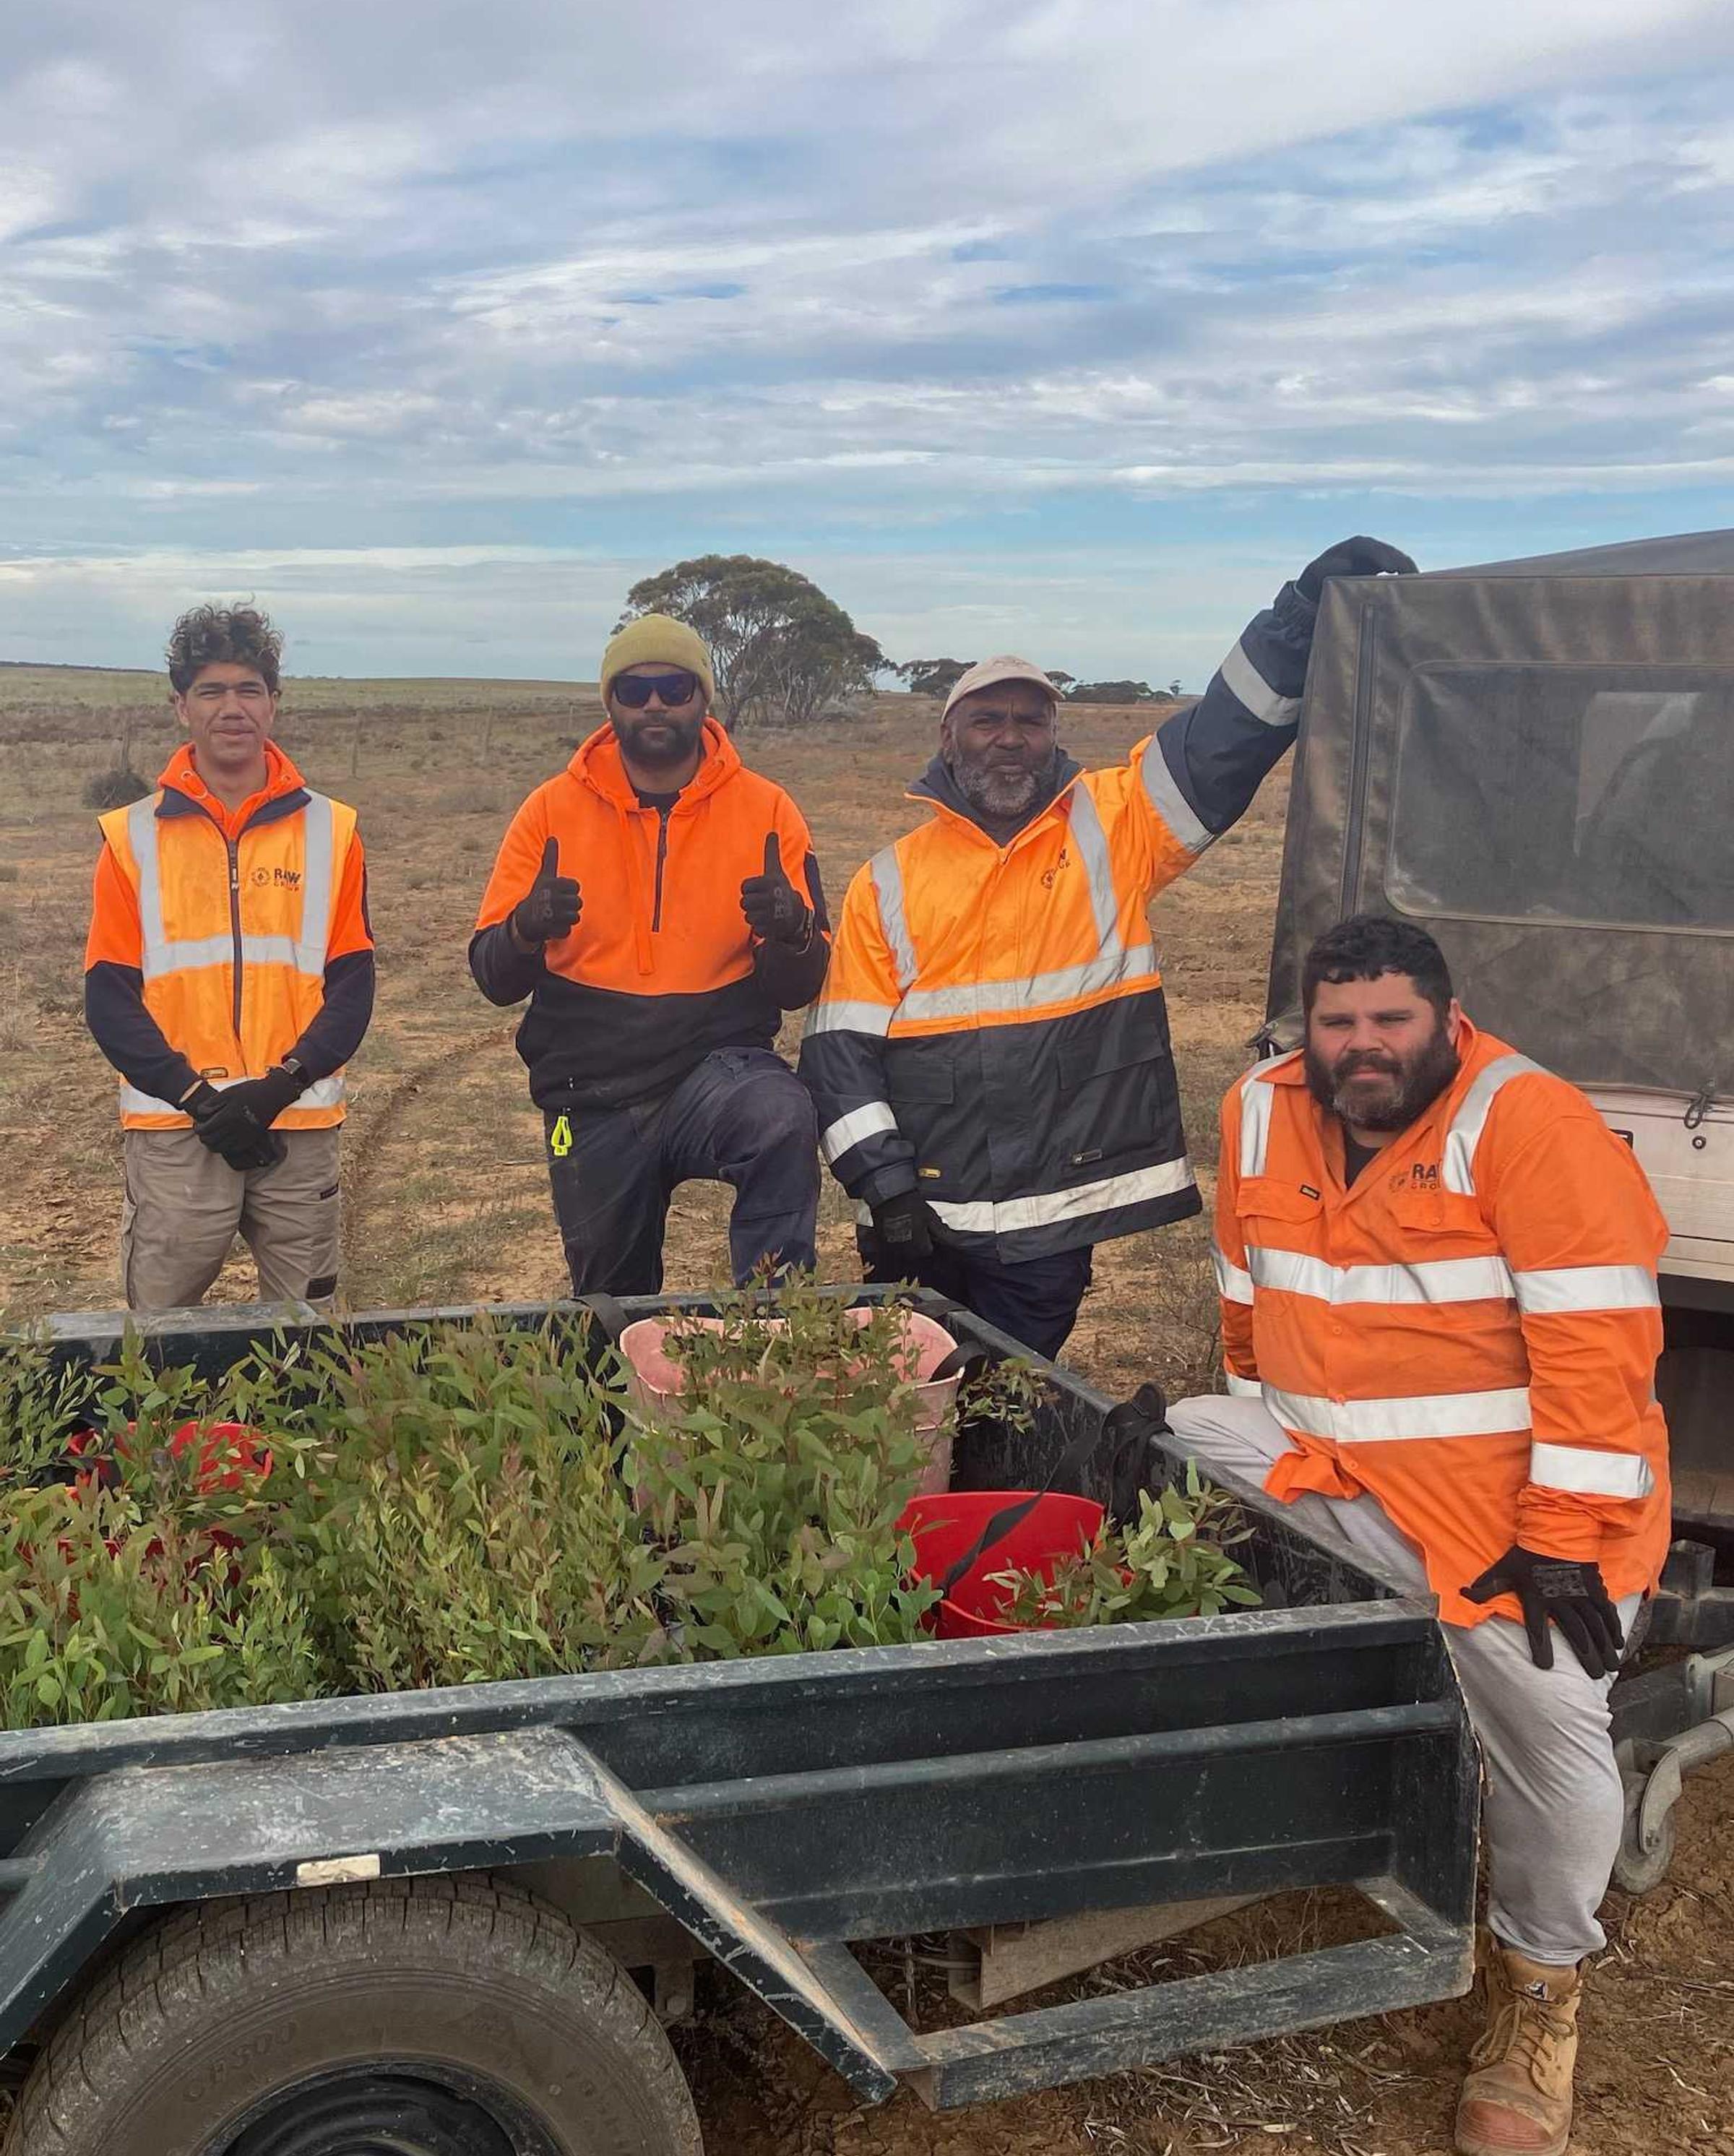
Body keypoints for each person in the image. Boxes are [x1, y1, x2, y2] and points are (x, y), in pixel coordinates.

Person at [1167, 914, 1670, 2156]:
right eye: (1337, 1022)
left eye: (1390, 1019)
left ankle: (1542, 1984)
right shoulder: (1258, 1109)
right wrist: (1247, 1400)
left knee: (1551, 1732)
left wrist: (1558, 1536)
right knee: (1171, 1434)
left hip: (1500, 1520)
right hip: (1332, 1468)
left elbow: (1599, 1356)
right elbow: (1246, 1288)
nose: (1362, 1045)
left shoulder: (1529, 1125)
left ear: (1444, 1019)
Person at [800, 538, 1415, 1359]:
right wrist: (886, 1186)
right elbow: (840, 1053)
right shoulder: (887, 880)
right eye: (988, 719)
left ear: (1053, 735)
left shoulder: (1116, 824)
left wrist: (1298, 618)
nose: (1010, 738)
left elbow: (1219, 740)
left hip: (1055, 1210)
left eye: (1030, 720)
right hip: (923, 1212)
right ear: (949, 740)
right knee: (910, 1394)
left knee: (1016, 1396)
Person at [471, 613, 830, 1295]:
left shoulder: (767, 810)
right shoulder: (549, 811)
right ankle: (617, 1395)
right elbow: (491, 976)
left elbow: (798, 987)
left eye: (675, 686)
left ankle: (782, 1335)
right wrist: (525, 928)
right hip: (589, 1091)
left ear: (703, 698)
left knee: (782, 1115)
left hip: (718, 1071)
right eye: (635, 690)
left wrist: (792, 931)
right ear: (609, 703)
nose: (656, 703)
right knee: (611, 1299)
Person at [83, 604, 374, 1311]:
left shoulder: (333, 831)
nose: (232, 707)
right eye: (212, 690)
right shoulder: (132, 838)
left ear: (274, 702)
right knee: (155, 1345)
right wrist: (198, 1098)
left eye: (249, 688)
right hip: (178, 1129)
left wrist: (277, 1087)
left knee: (311, 1341)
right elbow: (109, 998)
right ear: (181, 705)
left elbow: (353, 986)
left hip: (297, 1125)